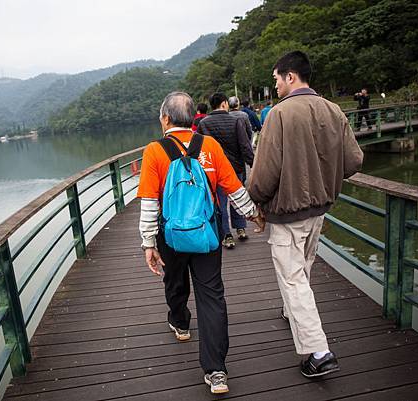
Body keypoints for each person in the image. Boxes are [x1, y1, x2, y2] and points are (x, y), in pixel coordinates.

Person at [137, 91, 264, 394]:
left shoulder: (155, 151)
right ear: (193, 117)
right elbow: (233, 187)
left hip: (172, 235)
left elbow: (148, 202)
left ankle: (180, 324)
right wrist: (253, 213)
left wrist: (148, 243)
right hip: (207, 233)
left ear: (165, 119)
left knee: (175, 280)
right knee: (211, 296)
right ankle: (216, 371)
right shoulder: (209, 146)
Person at [248, 51, 363, 378]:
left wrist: (256, 200)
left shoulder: (280, 114)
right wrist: (324, 175)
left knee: (293, 277)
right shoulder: (333, 109)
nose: (275, 86)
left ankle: (319, 351)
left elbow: (264, 174)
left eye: (276, 79)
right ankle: (291, 312)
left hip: (288, 213)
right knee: (303, 268)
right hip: (319, 210)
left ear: (290, 76)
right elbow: (354, 161)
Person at [197, 93, 254, 249]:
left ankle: (226, 235)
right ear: (224, 104)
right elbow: (244, 145)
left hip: (214, 171)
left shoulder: (204, 123)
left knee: (220, 202)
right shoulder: (235, 120)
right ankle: (241, 228)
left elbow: (199, 149)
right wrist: (252, 162)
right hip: (236, 168)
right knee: (237, 197)